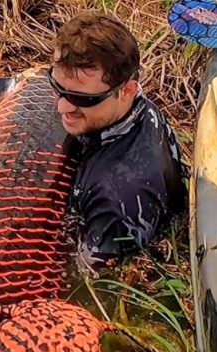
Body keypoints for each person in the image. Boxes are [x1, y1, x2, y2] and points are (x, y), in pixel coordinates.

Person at [48, 12, 187, 269]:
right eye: (57, 87)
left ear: (127, 90)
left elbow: (90, 278)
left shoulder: (117, 202)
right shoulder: (131, 109)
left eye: (84, 99)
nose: (62, 107)